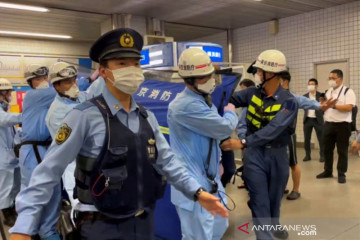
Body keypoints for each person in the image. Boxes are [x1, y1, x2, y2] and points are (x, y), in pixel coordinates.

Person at [10, 28, 228, 240]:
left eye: (135, 63)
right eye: (122, 64)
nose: (132, 70)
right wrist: (24, 226)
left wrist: (197, 193)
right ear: (104, 71)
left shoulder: (146, 117)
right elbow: (48, 171)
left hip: (141, 220)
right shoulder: (84, 117)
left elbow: (168, 161)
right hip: (98, 223)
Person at [221, 49, 298, 240]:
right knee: (259, 200)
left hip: (278, 156)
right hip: (255, 156)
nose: (256, 75)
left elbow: (274, 129)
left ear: (271, 73)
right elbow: (225, 97)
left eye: (259, 71)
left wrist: (243, 142)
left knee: (274, 199)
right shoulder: (250, 93)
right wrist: (218, 78)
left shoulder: (289, 102)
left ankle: (274, 224)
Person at [167, 48, 238, 240]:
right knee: (198, 236)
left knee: (218, 227)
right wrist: (231, 111)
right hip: (193, 181)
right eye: (203, 77)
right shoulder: (184, 105)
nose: (209, 80)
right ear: (189, 80)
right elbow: (223, 128)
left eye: (210, 75)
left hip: (209, 178)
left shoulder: (203, 101)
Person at [18, 65, 60, 240]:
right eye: (38, 79)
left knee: (42, 193)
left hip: (40, 150)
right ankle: (47, 233)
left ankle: (37, 232)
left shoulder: (44, 100)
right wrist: (89, 79)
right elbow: (67, 89)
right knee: (45, 193)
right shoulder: (36, 95)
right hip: (35, 151)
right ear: (31, 82)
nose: (43, 81)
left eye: (45, 78)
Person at [279, 72, 335, 201]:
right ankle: (280, 187)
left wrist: (321, 106)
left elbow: (309, 103)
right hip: (277, 136)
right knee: (279, 163)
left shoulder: (293, 97)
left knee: (293, 163)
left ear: (285, 81)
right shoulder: (273, 96)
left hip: (289, 134)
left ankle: (296, 190)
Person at [45, 62, 88, 206]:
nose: (74, 84)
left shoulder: (81, 97)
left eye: (74, 80)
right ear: (57, 86)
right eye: (68, 82)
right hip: (74, 167)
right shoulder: (56, 113)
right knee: (80, 208)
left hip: (92, 163)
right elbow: (70, 145)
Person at [317, 69, 356, 184]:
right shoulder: (328, 91)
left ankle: (341, 173)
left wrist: (334, 106)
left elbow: (349, 107)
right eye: (329, 78)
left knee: (342, 151)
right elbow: (325, 107)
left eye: (333, 78)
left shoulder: (347, 92)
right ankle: (327, 171)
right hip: (328, 124)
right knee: (327, 150)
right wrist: (323, 103)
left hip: (343, 125)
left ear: (341, 79)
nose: (331, 81)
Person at [0, 78, 21, 227]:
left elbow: (11, 129)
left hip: (10, 155)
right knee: (5, 185)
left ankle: (13, 207)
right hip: (2, 156)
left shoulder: (4, 109)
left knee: (14, 184)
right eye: (6, 92)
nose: (9, 95)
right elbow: (6, 121)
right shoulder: (3, 113)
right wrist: (27, 116)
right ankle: (6, 213)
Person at [303, 78, 325, 162]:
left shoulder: (321, 96)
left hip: (318, 120)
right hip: (307, 119)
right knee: (307, 139)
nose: (310, 86)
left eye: (312, 84)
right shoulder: (304, 96)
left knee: (321, 138)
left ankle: (322, 155)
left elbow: (324, 107)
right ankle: (307, 155)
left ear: (316, 86)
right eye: (309, 84)